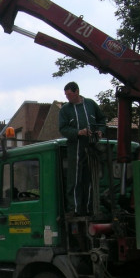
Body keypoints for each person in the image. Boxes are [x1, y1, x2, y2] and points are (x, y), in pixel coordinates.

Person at [58, 81, 106, 216]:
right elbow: (63, 128)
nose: (67, 97)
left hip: (91, 146)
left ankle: (90, 207)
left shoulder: (90, 104)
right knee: (75, 178)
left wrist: (100, 131)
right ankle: (74, 209)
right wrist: (78, 132)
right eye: (66, 95)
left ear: (77, 92)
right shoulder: (65, 110)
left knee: (90, 177)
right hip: (76, 147)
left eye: (69, 94)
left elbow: (102, 120)